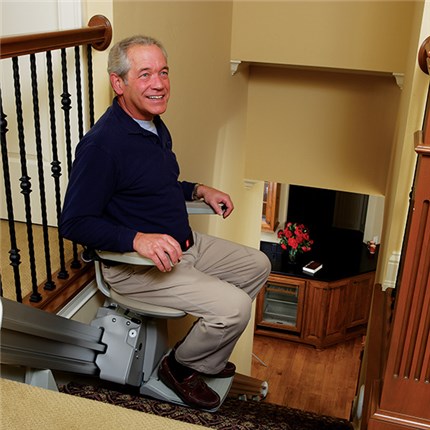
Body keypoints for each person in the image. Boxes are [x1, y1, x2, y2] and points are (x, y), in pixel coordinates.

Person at [60, 35, 271, 410]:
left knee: (259, 264)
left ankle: (201, 356)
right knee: (235, 308)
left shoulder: (153, 123)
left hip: (184, 244)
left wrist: (196, 190)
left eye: (163, 72)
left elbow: (151, 184)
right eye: (144, 74)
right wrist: (137, 239)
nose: (158, 83)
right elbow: (74, 223)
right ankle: (180, 366)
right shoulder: (102, 146)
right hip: (136, 268)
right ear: (119, 83)